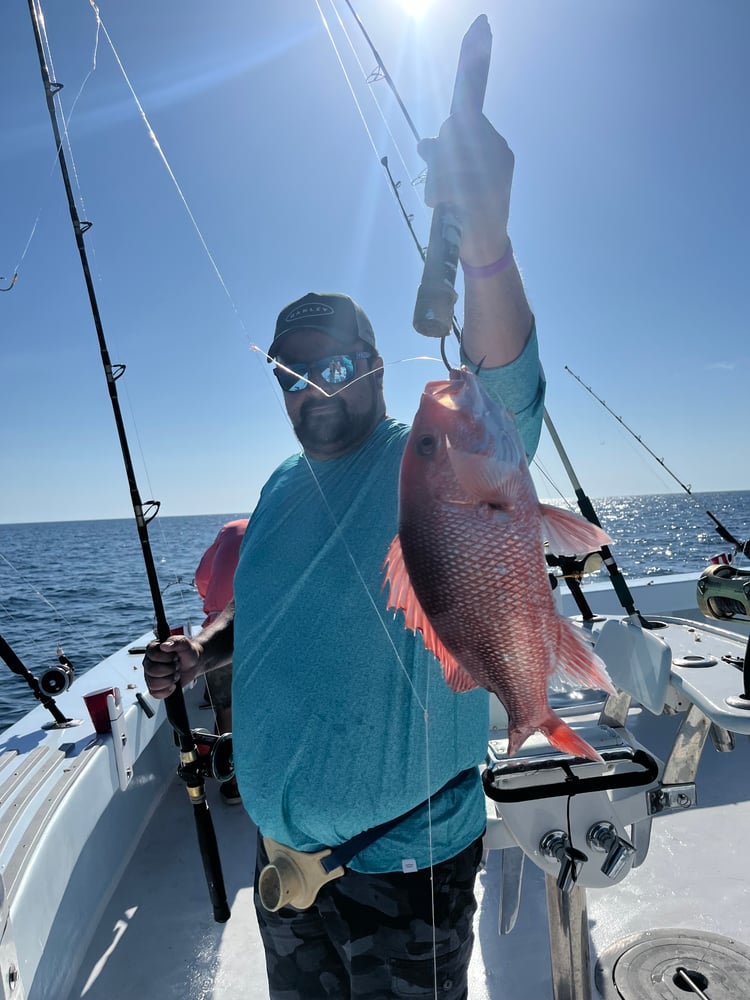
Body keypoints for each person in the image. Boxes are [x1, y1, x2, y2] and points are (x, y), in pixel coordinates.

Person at [144, 109, 544, 999]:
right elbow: (263, 608)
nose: (312, 391)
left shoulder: (430, 461)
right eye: (293, 375)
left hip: (404, 874)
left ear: (374, 367)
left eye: (332, 369)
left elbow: (505, 393)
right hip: (287, 874)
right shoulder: (281, 485)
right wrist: (197, 653)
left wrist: (484, 244)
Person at [194, 518, 248, 804]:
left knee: (226, 710)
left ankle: (231, 783)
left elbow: (202, 577)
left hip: (216, 631)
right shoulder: (271, 527)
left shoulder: (227, 530)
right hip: (258, 628)